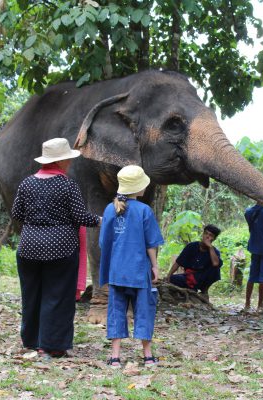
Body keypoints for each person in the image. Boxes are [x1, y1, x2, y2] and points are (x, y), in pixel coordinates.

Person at [12, 137, 101, 359]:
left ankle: (32, 341)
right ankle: (51, 345)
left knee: (32, 295)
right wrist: (101, 219)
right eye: (67, 160)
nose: (69, 163)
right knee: (57, 296)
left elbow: (17, 214)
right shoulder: (67, 185)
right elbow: (81, 217)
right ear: (61, 162)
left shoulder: (27, 183)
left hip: (29, 248)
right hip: (60, 248)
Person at [99, 165, 164, 368]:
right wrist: (155, 267)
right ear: (138, 188)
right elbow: (150, 244)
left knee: (116, 311)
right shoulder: (144, 211)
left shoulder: (111, 209)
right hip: (139, 272)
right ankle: (147, 356)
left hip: (117, 272)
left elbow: (104, 243)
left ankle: (115, 358)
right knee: (144, 310)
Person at [166, 224, 223, 299]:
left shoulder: (214, 252)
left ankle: (204, 291)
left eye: (211, 235)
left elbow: (215, 264)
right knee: (173, 279)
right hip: (188, 277)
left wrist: (210, 247)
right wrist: (168, 275)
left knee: (217, 266)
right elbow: (178, 262)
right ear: (202, 234)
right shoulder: (191, 246)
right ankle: (190, 290)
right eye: (206, 233)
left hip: (203, 279)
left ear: (214, 239)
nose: (207, 237)